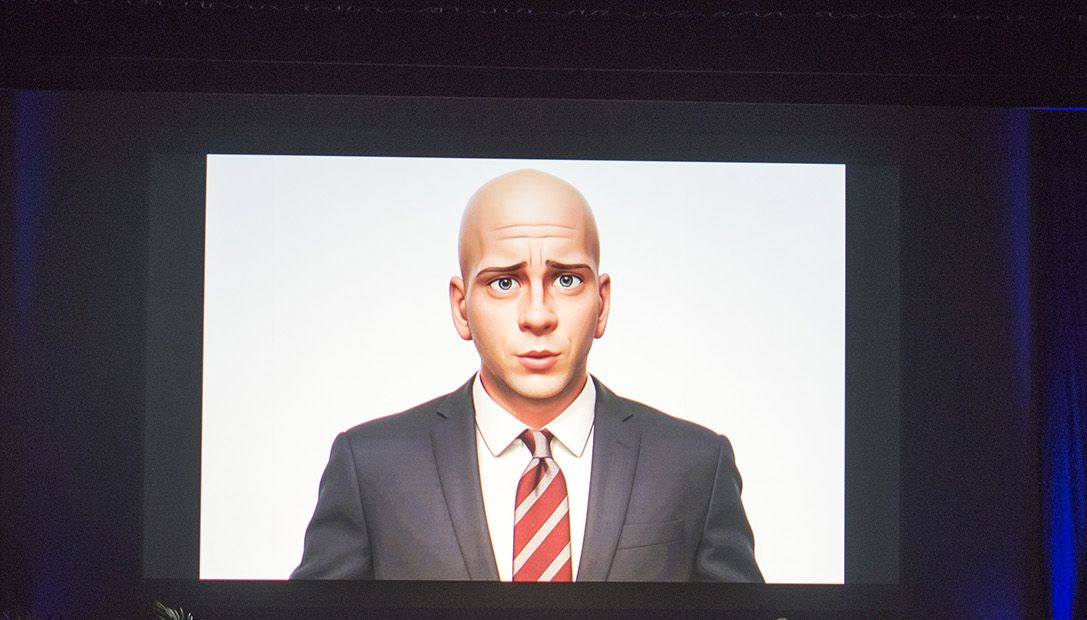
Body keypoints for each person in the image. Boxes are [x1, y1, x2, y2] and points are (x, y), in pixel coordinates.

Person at [291, 168, 762, 582]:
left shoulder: (696, 463)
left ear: (602, 304)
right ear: (461, 308)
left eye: (566, 280)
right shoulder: (370, 465)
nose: (538, 315)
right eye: (503, 282)